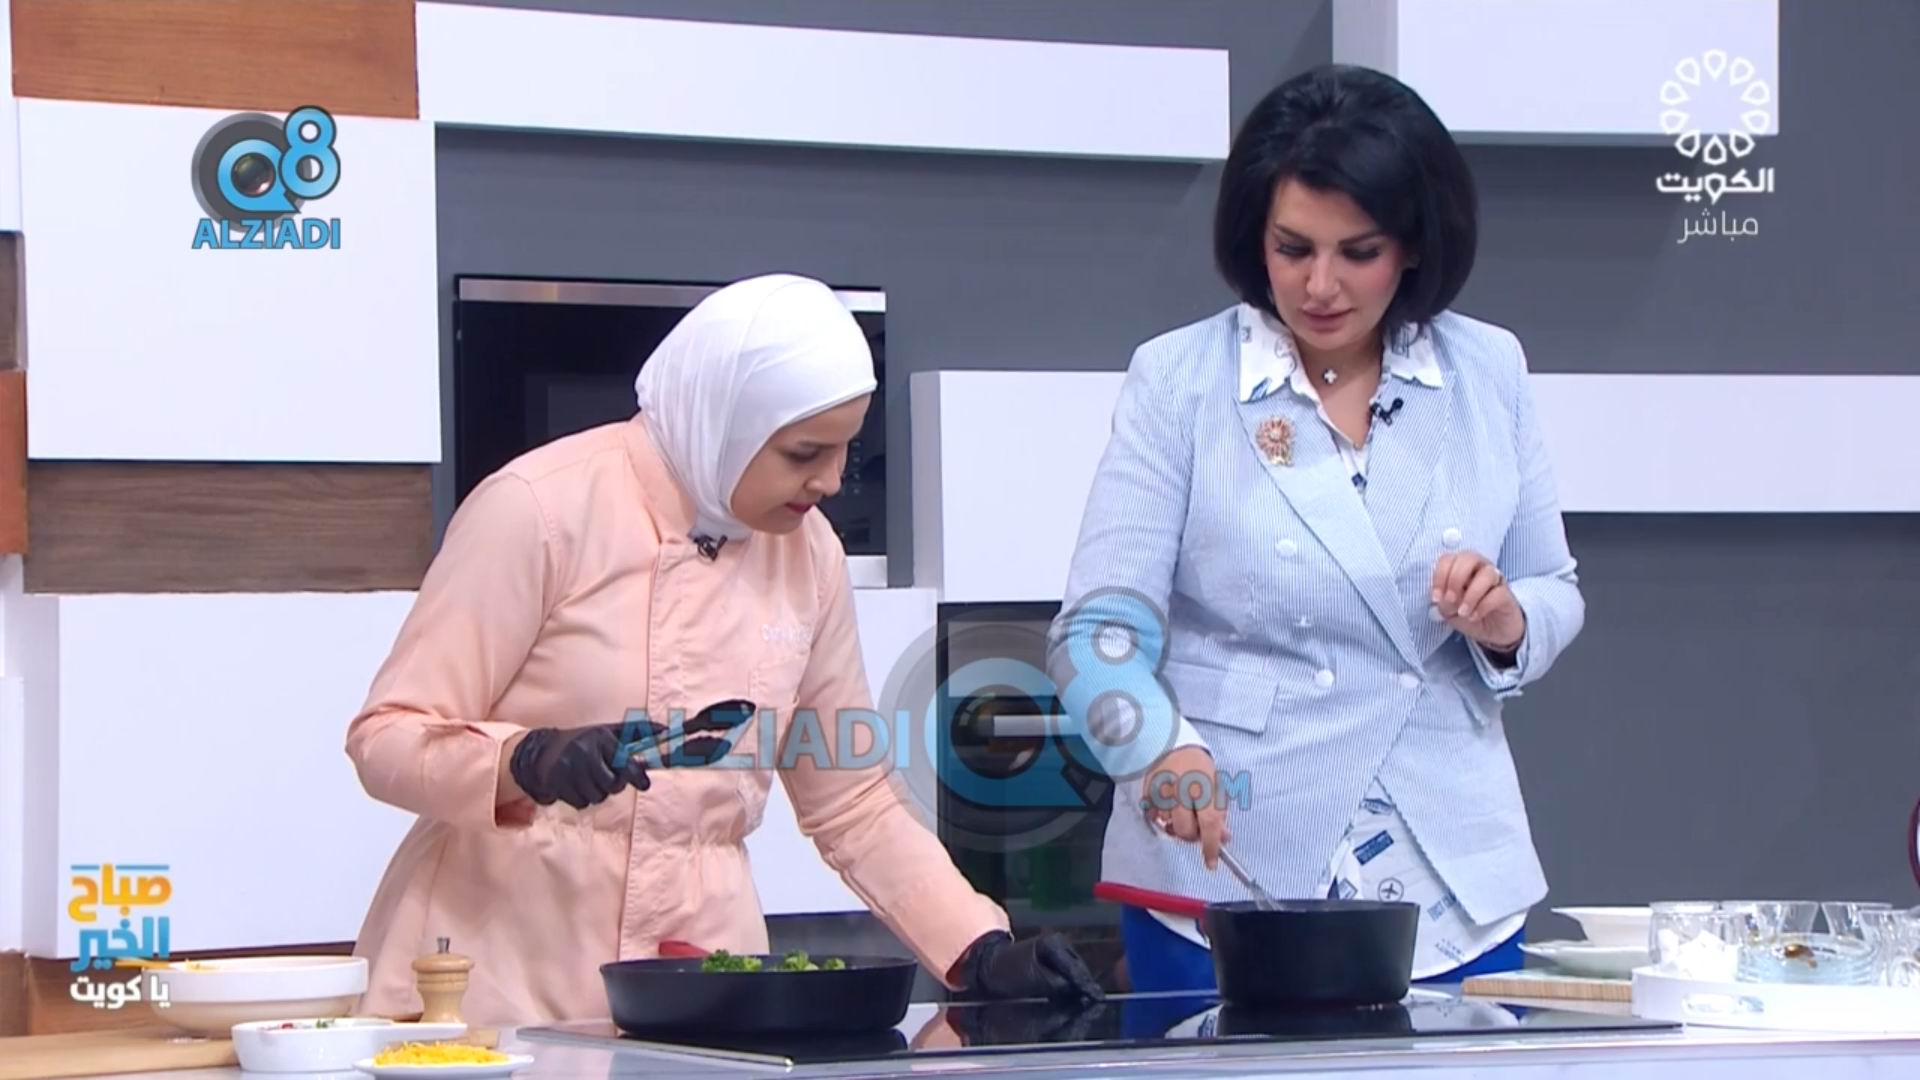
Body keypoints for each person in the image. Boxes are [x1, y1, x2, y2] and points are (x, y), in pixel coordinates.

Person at [346, 273, 1101, 1024]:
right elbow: (386, 737)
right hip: (496, 971)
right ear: (723, 422)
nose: (829, 481)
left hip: (700, 979)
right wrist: (523, 760)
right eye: (804, 452)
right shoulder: (539, 509)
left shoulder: (809, 554)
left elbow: (852, 798)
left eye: (845, 452)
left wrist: (978, 947)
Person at [1048, 64, 1584, 991]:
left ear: (1412, 247)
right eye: (1292, 249)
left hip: (1451, 869)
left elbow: (1555, 590)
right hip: (1227, 856)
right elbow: (1095, 634)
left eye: (1357, 252)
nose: (1320, 285)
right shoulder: (1179, 379)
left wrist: (1506, 622)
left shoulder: (1488, 368)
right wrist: (1159, 747)